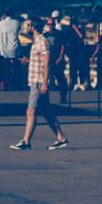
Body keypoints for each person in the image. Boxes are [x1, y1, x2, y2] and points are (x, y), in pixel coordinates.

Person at [10, 17, 70, 152]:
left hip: (39, 81)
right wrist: (30, 60)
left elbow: (47, 63)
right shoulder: (37, 42)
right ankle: (61, 138)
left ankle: (26, 142)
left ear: (33, 27)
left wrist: (44, 83)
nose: (26, 27)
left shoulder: (42, 42)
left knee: (31, 110)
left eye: (28, 25)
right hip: (35, 80)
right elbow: (41, 60)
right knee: (47, 111)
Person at [0, 11, 20, 91]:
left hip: (3, 49)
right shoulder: (17, 22)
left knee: (4, 68)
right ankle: (15, 85)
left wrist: (2, 20)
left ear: (4, 15)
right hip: (14, 48)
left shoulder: (0, 23)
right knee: (15, 67)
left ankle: (4, 85)